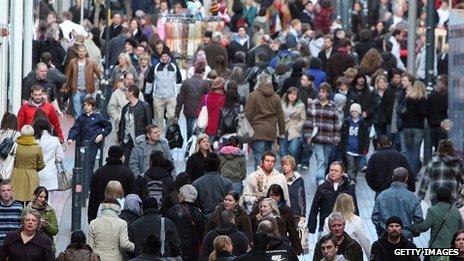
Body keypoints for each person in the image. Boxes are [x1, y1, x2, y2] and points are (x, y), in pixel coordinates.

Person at [67, 97, 112, 189]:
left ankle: (89, 187)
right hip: (81, 144)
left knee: (89, 165)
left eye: (88, 105)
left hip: (93, 145)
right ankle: (81, 186)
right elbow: (75, 128)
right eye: (85, 105)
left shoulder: (98, 117)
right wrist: (71, 137)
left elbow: (108, 126)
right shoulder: (81, 117)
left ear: (93, 106)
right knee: (80, 165)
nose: (86, 107)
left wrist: (101, 135)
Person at [245, 74, 285, 168]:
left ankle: (259, 181)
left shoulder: (253, 95)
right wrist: (282, 132)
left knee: (259, 158)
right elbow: (280, 116)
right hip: (271, 131)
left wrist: (246, 133)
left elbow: (248, 115)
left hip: (257, 131)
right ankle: (267, 179)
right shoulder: (276, 97)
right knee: (268, 159)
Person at [304, 83, 340, 185]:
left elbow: (336, 123)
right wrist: (308, 135)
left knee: (326, 158)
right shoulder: (313, 104)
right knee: (321, 159)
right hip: (317, 137)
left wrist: (337, 138)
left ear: (328, 93)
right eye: (320, 91)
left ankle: (323, 177)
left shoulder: (332, 105)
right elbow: (308, 121)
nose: (321, 93)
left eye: (323, 91)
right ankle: (320, 178)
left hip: (329, 137)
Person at [372, 167, 423, 238]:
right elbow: (419, 218)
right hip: (405, 235)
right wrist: (412, 231)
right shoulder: (412, 197)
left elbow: (375, 217)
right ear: (406, 178)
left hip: (385, 235)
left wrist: (382, 230)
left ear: (393, 177)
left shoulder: (382, 195)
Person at [308, 161, 358, 234]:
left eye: (336, 171)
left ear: (342, 173)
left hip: (345, 228)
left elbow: (354, 207)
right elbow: (314, 208)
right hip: (325, 226)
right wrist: (311, 227)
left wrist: (356, 225)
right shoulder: (322, 187)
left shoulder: (349, 188)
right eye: (331, 170)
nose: (333, 172)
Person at [88, 146, 135, 222]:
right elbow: (132, 194)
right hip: (122, 215)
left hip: (102, 213)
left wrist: (91, 217)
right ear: (120, 157)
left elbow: (93, 197)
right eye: (123, 155)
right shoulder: (127, 172)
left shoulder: (99, 172)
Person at [413, 187, 464, 256]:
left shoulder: (432, 210)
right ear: (450, 197)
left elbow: (425, 226)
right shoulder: (456, 211)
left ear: (437, 197)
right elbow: (461, 229)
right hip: (452, 247)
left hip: (436, 247)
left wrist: (413, 227)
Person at [323, 193, 371, 258]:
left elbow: (324, 239)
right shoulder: (356, 220)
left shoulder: (328, 219)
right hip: (350, 254)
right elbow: (364, 240)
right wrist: (370, 256)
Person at [144, 50, 182, 131]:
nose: (164, 58)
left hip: (171, 96)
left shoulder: (174, 67)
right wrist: (147, 92)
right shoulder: (155, 67)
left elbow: (179, 80)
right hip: (158, 96)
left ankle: (169, 132)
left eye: (166, 56)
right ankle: (159, 135)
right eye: (162, 56)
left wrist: (178, 94)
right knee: (158, 118)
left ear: (169, 57)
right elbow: (150, 79)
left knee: (171, 115)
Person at [165, 184, 205, 261]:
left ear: (183, 196)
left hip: (176, 251)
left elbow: (166, 230)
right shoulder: (198, 212)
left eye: (179, 194)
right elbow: (201, 232)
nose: (178, 196)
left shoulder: (173, 210)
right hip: (194, 251)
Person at [419, 139, 464, 205]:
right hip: (452, 196)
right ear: (451, 149)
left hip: (436, 196)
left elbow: (425, 181)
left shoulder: (433, 161)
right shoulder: (457, 162)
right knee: (451, 214)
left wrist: (420, 196)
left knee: (436, 214)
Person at [118, 85, 153, 164]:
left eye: (126, 91)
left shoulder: (145, 106)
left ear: (131, 93)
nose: (125, 93)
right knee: (126, 163)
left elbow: (149, 124)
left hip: (140, 140)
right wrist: (120, 139)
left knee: (139, 163)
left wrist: (148, 140)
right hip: (126, 141)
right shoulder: (125, 108)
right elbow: (122, 125)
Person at [10, 125, 45, 204]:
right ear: (32, 134)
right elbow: (41, 164)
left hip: (17, 174)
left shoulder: (16, 145)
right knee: (31, 200)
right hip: (32, 175)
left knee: (17, 198)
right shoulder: (37, 147)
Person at [64, 45, 101, 118]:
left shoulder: (91, 62)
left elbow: (98, 72)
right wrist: (65, 86)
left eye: (83, 51)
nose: (81, 53)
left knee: (87, 112)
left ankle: (85, 126)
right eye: (80, 51)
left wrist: (99, 79)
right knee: (77, 112)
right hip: (76, 90)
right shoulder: (72, 62)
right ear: (77, 52)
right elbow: (67, 75)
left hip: (87, 90)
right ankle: (79, 127)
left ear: (86, 52)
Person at [175, 63, 210, 140]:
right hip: (201, 111)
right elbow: (208, 99)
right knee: (200, 132)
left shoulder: (186, 82)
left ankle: (189, 146)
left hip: (189, 110)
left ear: (194, 71)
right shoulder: (205, 83)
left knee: (189, 131)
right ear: (203, 73)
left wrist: (177, 114)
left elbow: (180, 99)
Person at [193, 153, 233, 220]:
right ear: (218, 165)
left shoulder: (196, 183)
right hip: (223, 219)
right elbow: (232, 203)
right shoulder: (227, 183)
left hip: (204, 219)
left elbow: (195, 205)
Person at [266, 185, 303, 255]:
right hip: (265, 244)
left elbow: (292, 231)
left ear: (281, 196)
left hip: (281, 243)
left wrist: (297, 249)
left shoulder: (286, 210)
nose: (274, 198)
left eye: (276, 195)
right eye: (271, 195)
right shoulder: (262, 207)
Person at [338, 103, 369, 182]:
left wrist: (365, 148)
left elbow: (366, 137)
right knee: (350, 166)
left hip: (359, 149)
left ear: (359, 112)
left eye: (355, 111)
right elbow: (342, 134)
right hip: (348, 148)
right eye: (352, 111)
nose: (354, 113)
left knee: (356, 167)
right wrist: (341, 145)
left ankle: (352, 179)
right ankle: (350, 181)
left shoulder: (363, 123)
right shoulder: (347, 122)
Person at [33, 118, 64, 191]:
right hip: (50, 173)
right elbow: (60, 157)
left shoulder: (34, 141)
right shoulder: (55, 140)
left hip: (36, 173)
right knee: (49, 200)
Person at [279, 87, 306, 163]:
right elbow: (278, 116)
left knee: (293, 149)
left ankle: (293, 165)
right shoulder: (282, 104)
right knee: (282, 151)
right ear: (287, 95)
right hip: (283, 128)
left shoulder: (301, 105)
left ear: (297, 96)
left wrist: (298, 127)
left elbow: (303, 118)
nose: (292, 96)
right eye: (290, 94)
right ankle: (284, 167)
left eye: (294, 94)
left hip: (294, 129)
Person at [281, 155, 306, 222]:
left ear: (292, 165)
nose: (284, 166)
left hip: (296, 213)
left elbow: (302, 198)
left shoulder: (299, 180)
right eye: (283, 164)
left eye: (287, 164)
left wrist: (303, 215)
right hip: (283, 213)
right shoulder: (279, 179)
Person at [428, 75, 448, 150]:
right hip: (442, 125)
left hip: (434, 124)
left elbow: (427, 111)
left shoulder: (432, 96)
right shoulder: (448, 97)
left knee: (437, 147)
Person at [0, 181, 23, 245]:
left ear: (12, 191)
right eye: (3, 190)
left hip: (14, 245)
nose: (6, 193)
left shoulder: (19, 207)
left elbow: (22, 227)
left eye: (8, 190)